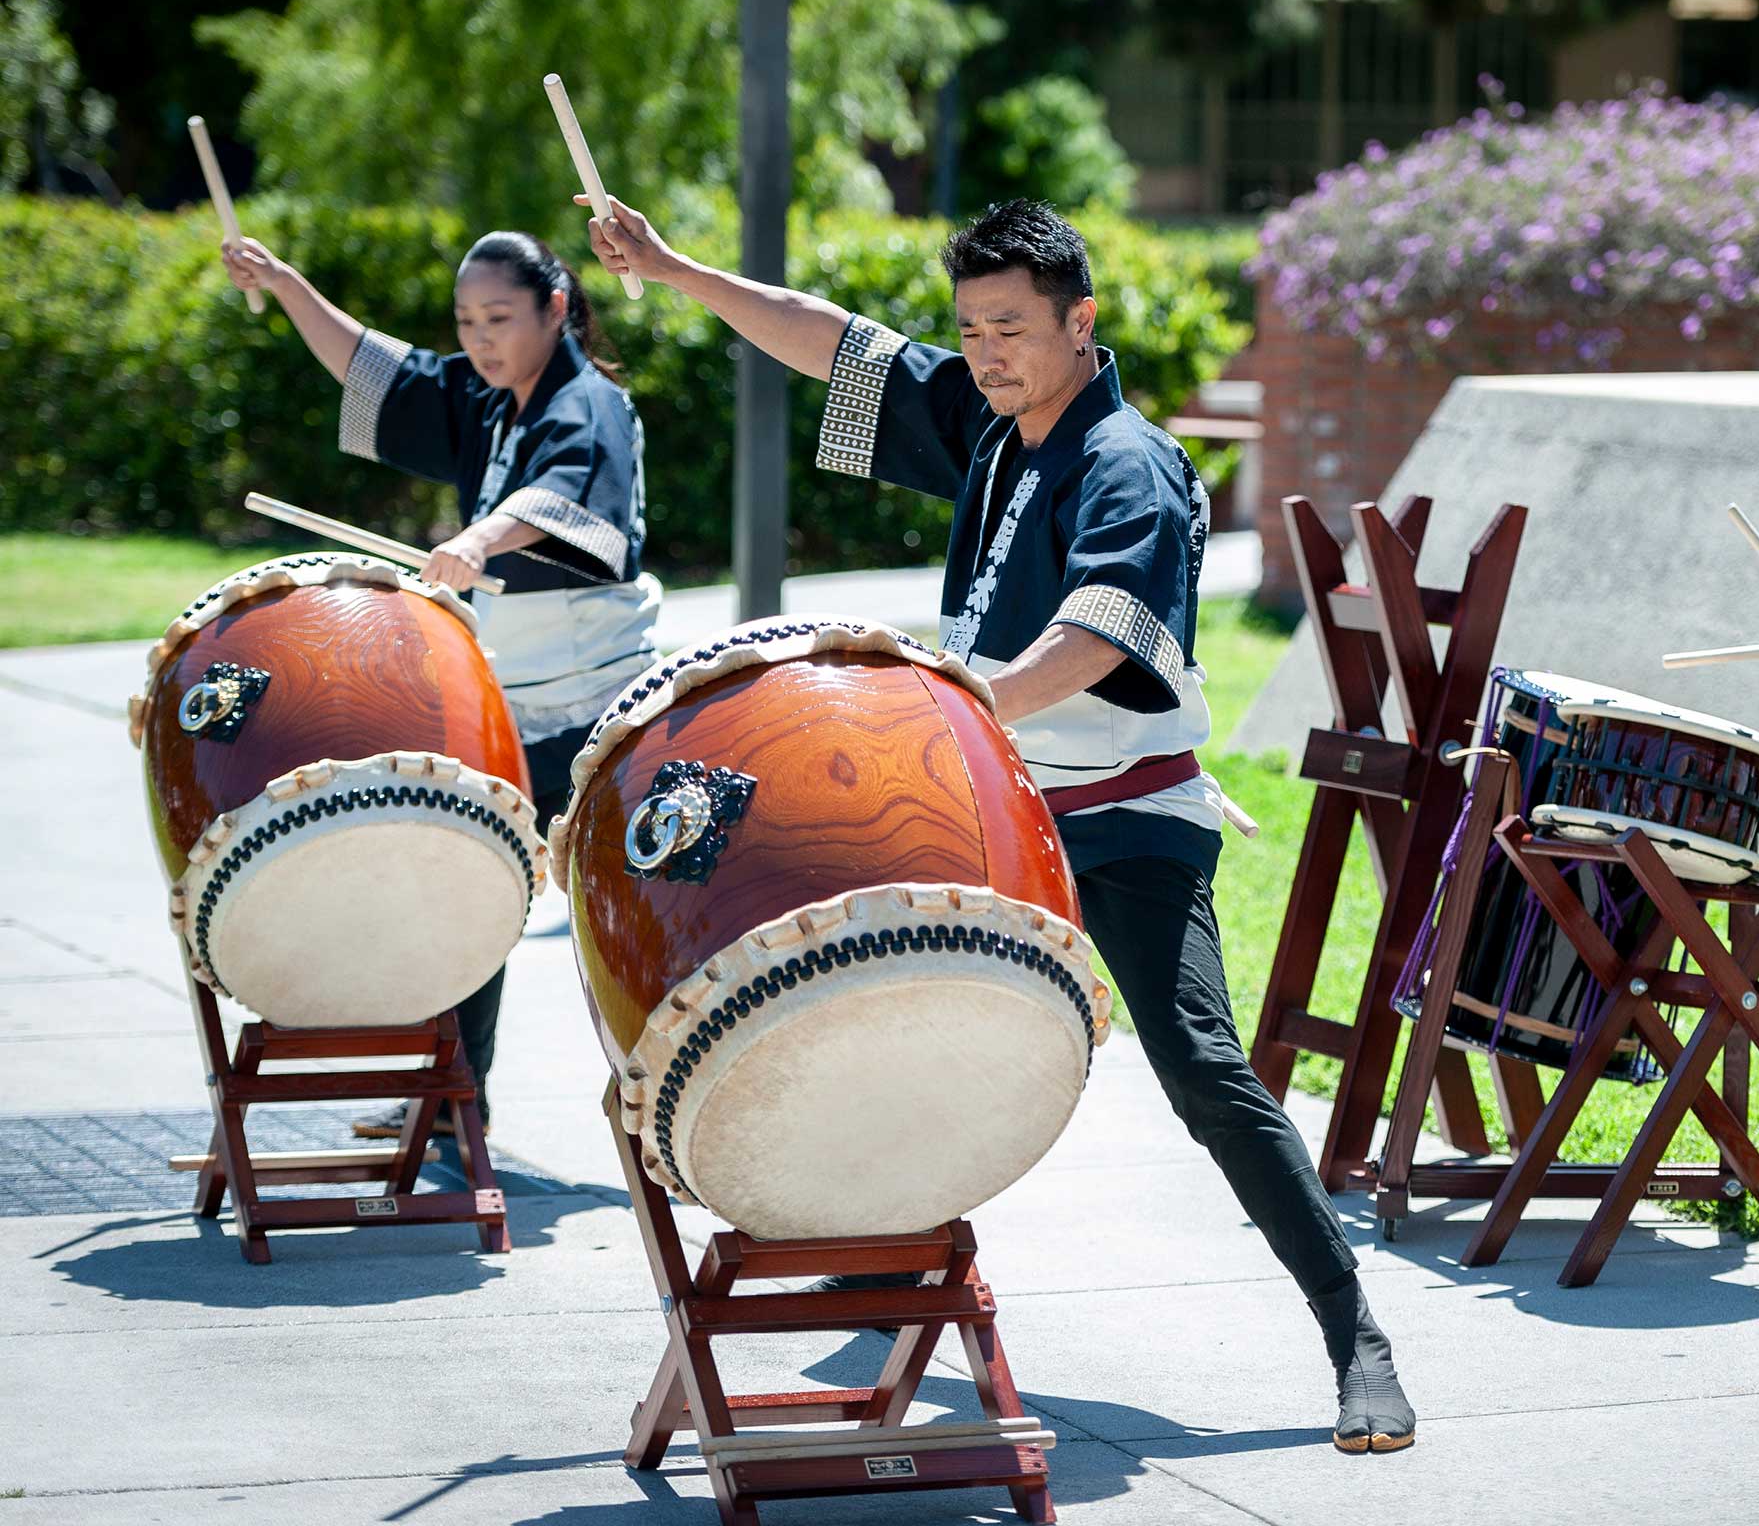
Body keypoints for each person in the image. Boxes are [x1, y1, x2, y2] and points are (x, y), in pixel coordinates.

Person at [579, 193, 1416, 1454]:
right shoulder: (992, 421)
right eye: (971, 328)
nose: (986, 352)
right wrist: (671, 267)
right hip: (989, 796)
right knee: (857, 986)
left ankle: (1357, 1336)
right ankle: (875, 1268)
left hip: (1124, 816)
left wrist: (953, 710)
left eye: (1012, 328)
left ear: (1081, 322)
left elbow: (1097, 636)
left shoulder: (1129, 460)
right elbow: (832, 341)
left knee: (1197, 1061)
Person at [219, 230, 660, 1137]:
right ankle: (460, 1101)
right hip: (508, 701)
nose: (481, 340)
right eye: (466, 322)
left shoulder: (593, 402)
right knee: (467, 879)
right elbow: (379, 370)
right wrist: (289, 284)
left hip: (595, 711)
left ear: (557, 309)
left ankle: (673, 1099)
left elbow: (562, 492)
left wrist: (480, 540)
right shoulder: (486, 398)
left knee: (599, 908)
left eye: (500, 318)